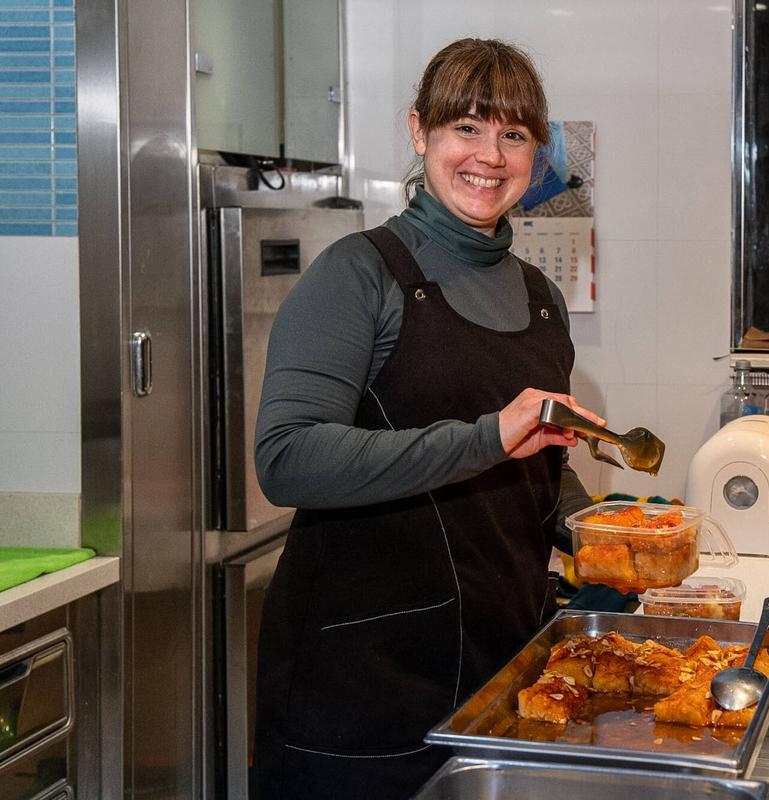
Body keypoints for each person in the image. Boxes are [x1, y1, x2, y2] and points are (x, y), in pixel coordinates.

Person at [250, 38, 601, 798]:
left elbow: (537, 464)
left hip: (504, 666)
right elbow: (286, 458)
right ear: (420, 131)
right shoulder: (358, 273)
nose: (491, 156)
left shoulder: (541, 298)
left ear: (537, 153)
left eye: (514, 135)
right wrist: (486, 437)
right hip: (362, 688)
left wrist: (601, 533)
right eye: (466, 128)